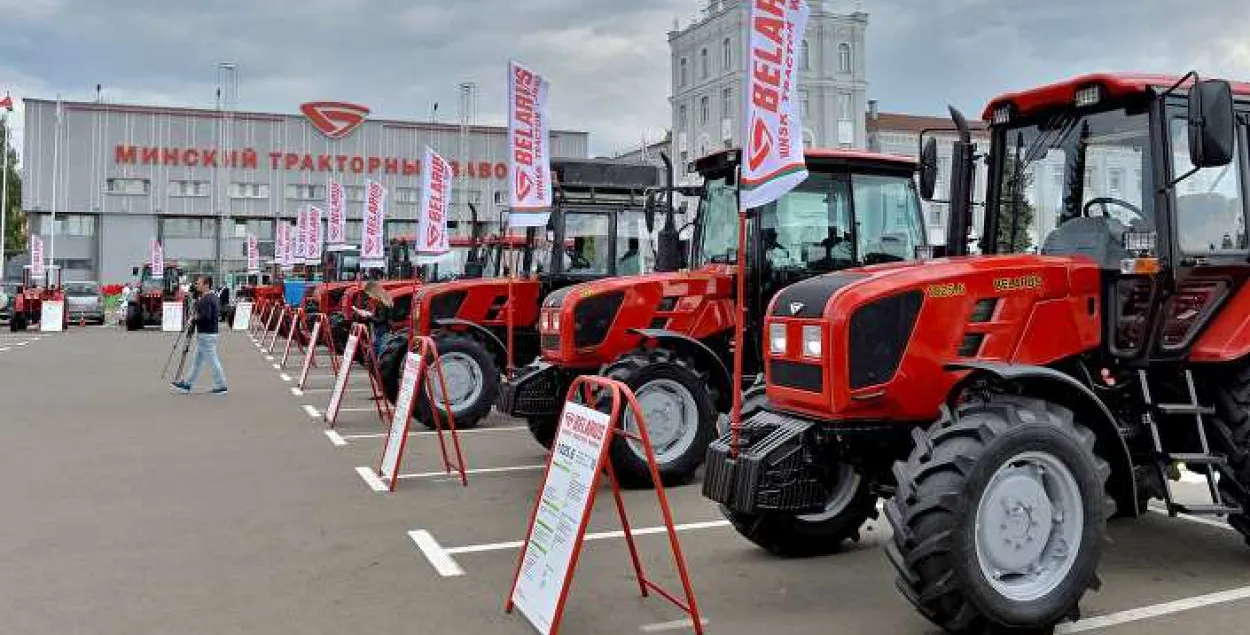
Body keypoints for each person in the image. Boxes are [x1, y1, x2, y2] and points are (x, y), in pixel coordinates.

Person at [171, 276, 228, 395]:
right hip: (210, 333)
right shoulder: (214, 297)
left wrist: (194, 319)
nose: (197, 286)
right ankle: (187, 384)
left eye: (199, 283)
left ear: (206, 285)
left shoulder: (206, 299)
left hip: (206, 334)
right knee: (197, 361)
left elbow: (206, 316)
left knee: (212, 360)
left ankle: (221, 385)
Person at [352, 280, 393, 360]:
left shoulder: (381, 303)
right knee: (379, 345)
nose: (369, 296)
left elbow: (381, 319)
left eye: (369, 294)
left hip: (381, 328)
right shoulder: (384, 301)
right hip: (382, 328)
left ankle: (375, 364)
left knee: (378, 346)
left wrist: (368, 316)